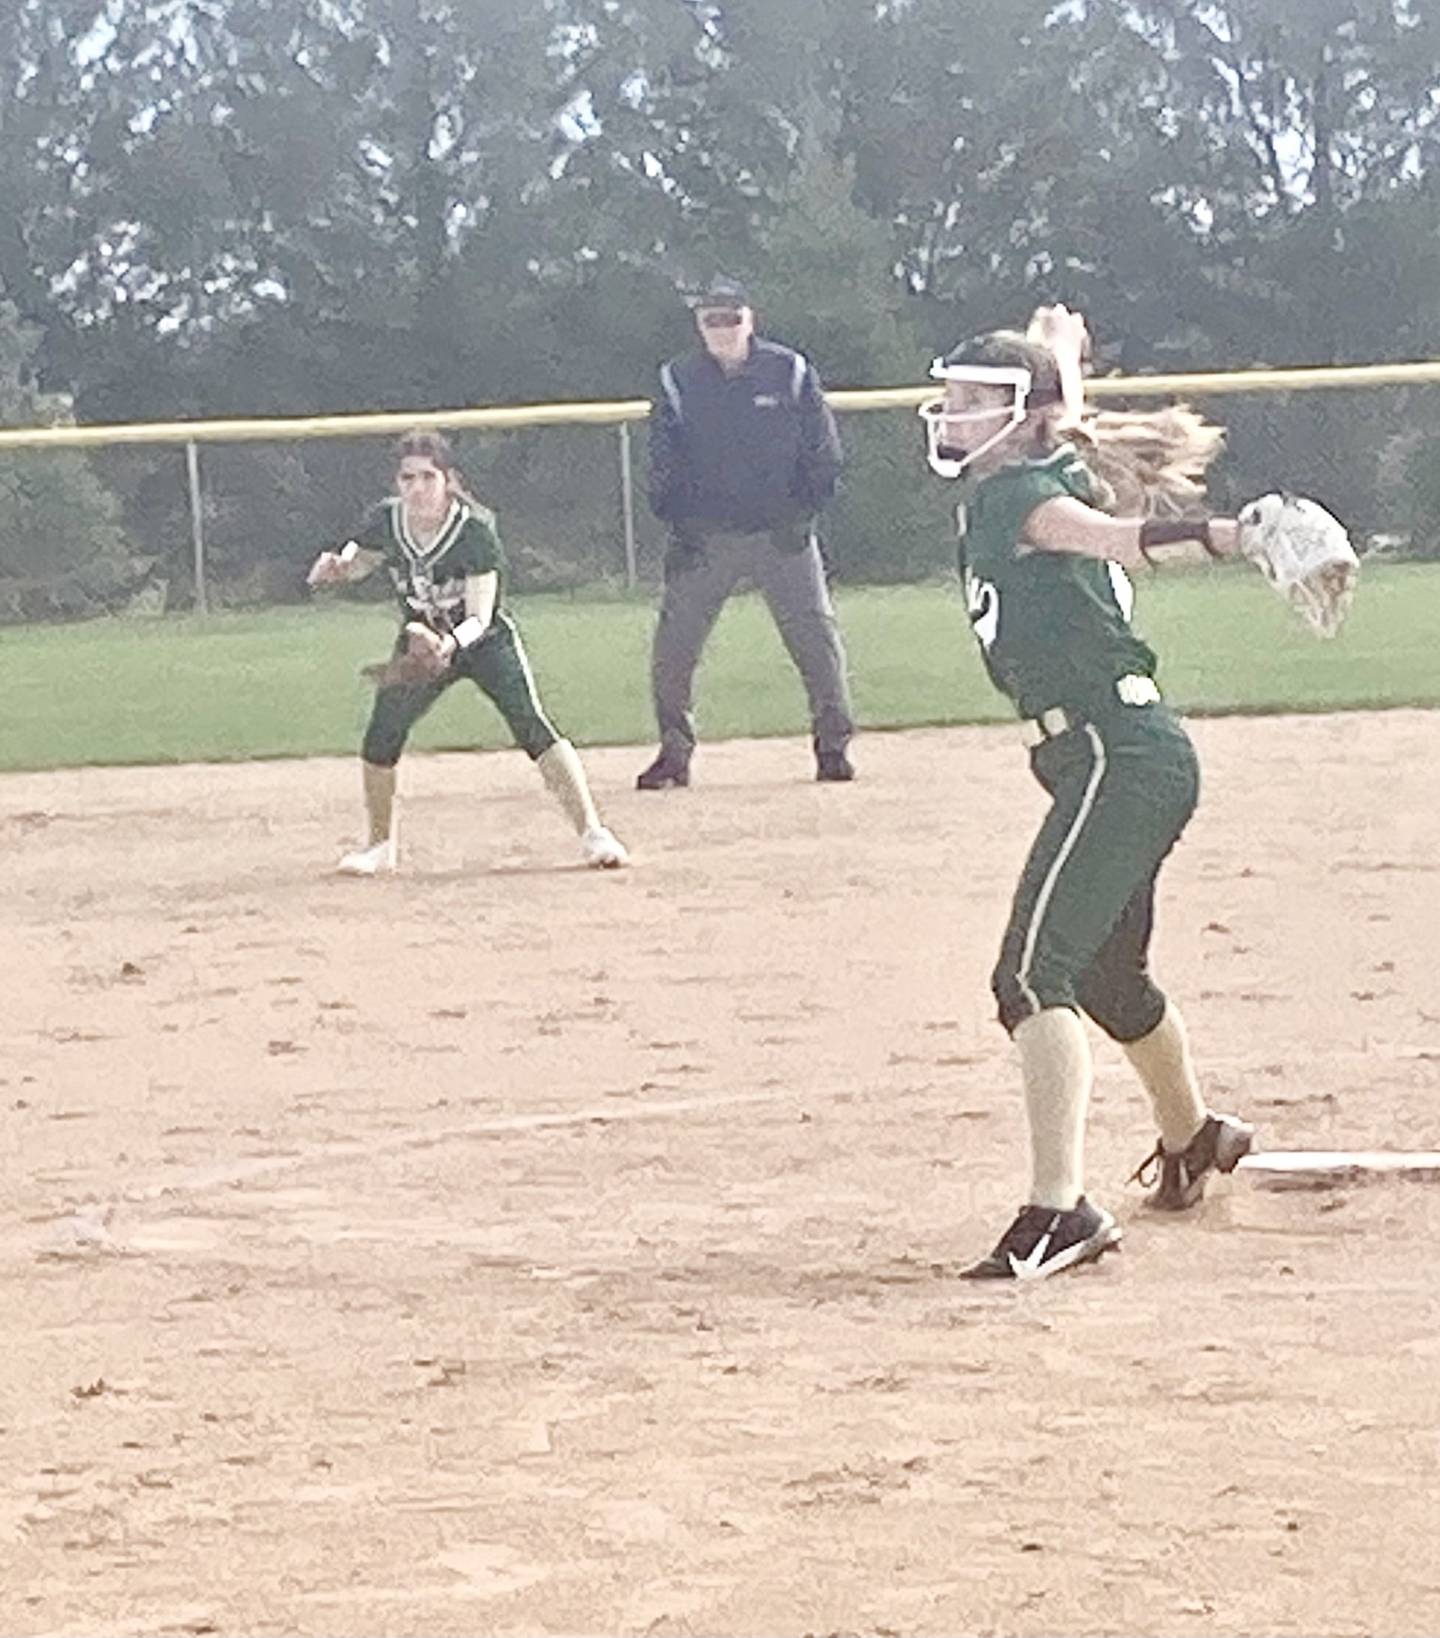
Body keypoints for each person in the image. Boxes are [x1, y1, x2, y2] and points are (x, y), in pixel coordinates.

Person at [916, 305, 1254, 1281]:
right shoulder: (1043, 464)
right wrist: (1058, 359)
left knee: (1030, 977)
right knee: (1107, 978)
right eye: (952, 398)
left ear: (1021, 419)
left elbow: (1112, 538)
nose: (950, 414)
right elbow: (1061, 440)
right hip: (1120, 753)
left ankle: (1058, 1212)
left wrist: (1231, 535)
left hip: (1113, 753)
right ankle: (1194, 1138)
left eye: (972, 402)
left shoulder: (1020, 493)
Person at [306, 430, 628, 875]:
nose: (417, 488)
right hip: (422, 641)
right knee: (382, 734)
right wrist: (338, 567)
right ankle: (379, 846)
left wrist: (449, 645)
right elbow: (360, 559)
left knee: (531, 725)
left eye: (428, 477)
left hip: (483, 642)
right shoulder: (387, 519)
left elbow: (480, 615)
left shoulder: (473, 530)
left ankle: (594, 832)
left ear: (448, 480)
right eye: (407, 478)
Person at [636, 278, 857, 789]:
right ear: (699, 326)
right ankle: (674, 753)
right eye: (712, 319)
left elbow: (822, 450)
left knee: (816, 640)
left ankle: (833, 747)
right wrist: (681, 522)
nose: (723, 329)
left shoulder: (789, 371)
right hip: (705, 538)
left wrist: (802, 513)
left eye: (731, 318)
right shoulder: (678, 379)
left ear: (750, 319)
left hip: (781, 534)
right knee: (675, 648)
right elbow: (663, 460)